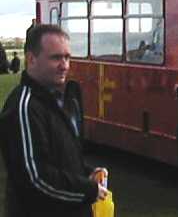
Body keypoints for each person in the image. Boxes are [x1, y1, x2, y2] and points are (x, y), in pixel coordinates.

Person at [0, 24, 108, 217]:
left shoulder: (59, 99)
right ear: (31, 59)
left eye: (67, 57)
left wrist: (87, 174)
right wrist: (88, 190)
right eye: (56, 57)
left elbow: (61, 159)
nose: (64, 65)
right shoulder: (24, 107)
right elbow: (35, 178)